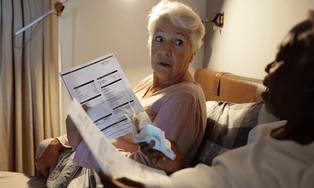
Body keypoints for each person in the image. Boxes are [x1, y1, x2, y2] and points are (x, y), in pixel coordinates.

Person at [99, 9, 314, 188]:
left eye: (282, 61)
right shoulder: (269, 130)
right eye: (159, 38)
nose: (268, 68)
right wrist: (180, 166)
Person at [37, 0, 207, 177]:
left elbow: (145, 170)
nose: (165, 50)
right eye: (159, 38)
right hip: (98, 160)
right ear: (150, 43)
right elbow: (111, 125)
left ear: (193, 52)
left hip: (115, 182)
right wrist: (61, 141)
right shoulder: (151, 81)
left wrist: (77, 143)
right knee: (46, 146)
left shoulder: (183, 99)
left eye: (178, 42)